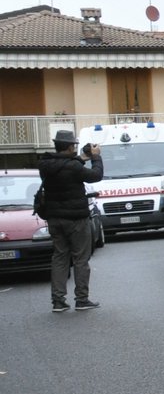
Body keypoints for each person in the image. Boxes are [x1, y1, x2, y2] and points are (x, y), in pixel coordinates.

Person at [37, 129, 102, 312]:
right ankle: (81, 299)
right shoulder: (73, 167)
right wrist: (96, 158)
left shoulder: (46, 165)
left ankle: (58, 301)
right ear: (68, 147)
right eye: (73, 145)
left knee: (59, 258)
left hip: (55, 218)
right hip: (76, 219)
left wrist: (82, 157)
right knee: (81, 259)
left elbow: (64, 167)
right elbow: (96, 175)